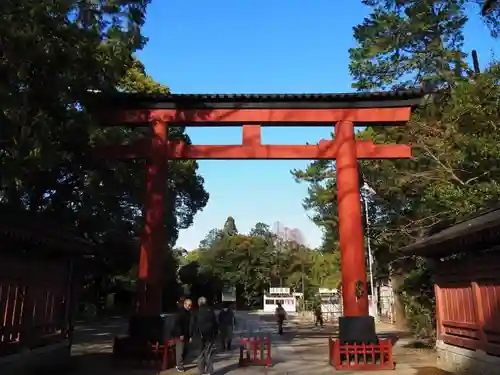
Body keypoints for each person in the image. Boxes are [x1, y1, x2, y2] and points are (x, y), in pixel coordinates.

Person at [194, 296, 218, 375]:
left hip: (200, 335)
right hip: (210, 335)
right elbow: (215, 323)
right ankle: (209, 371)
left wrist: (192, 334)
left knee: (201, 353)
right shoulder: (211, 310)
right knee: (209, 353)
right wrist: (216, 333)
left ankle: (201, 371)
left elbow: (194, 324)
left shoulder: (197, 311)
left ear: (199, 303)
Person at [171, 298, 193, 372]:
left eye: (190, 305)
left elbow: (189, 325)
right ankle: (179, 365)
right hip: (180, 334)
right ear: (185, 304)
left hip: (186, 334)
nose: (190, 307)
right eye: (188, 305)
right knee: (180, 350)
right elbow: (178, 324)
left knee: (185, 349)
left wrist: (190, 336)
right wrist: (180, 333)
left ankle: (180, 363)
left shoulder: (188, 313)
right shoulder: (180, 313)